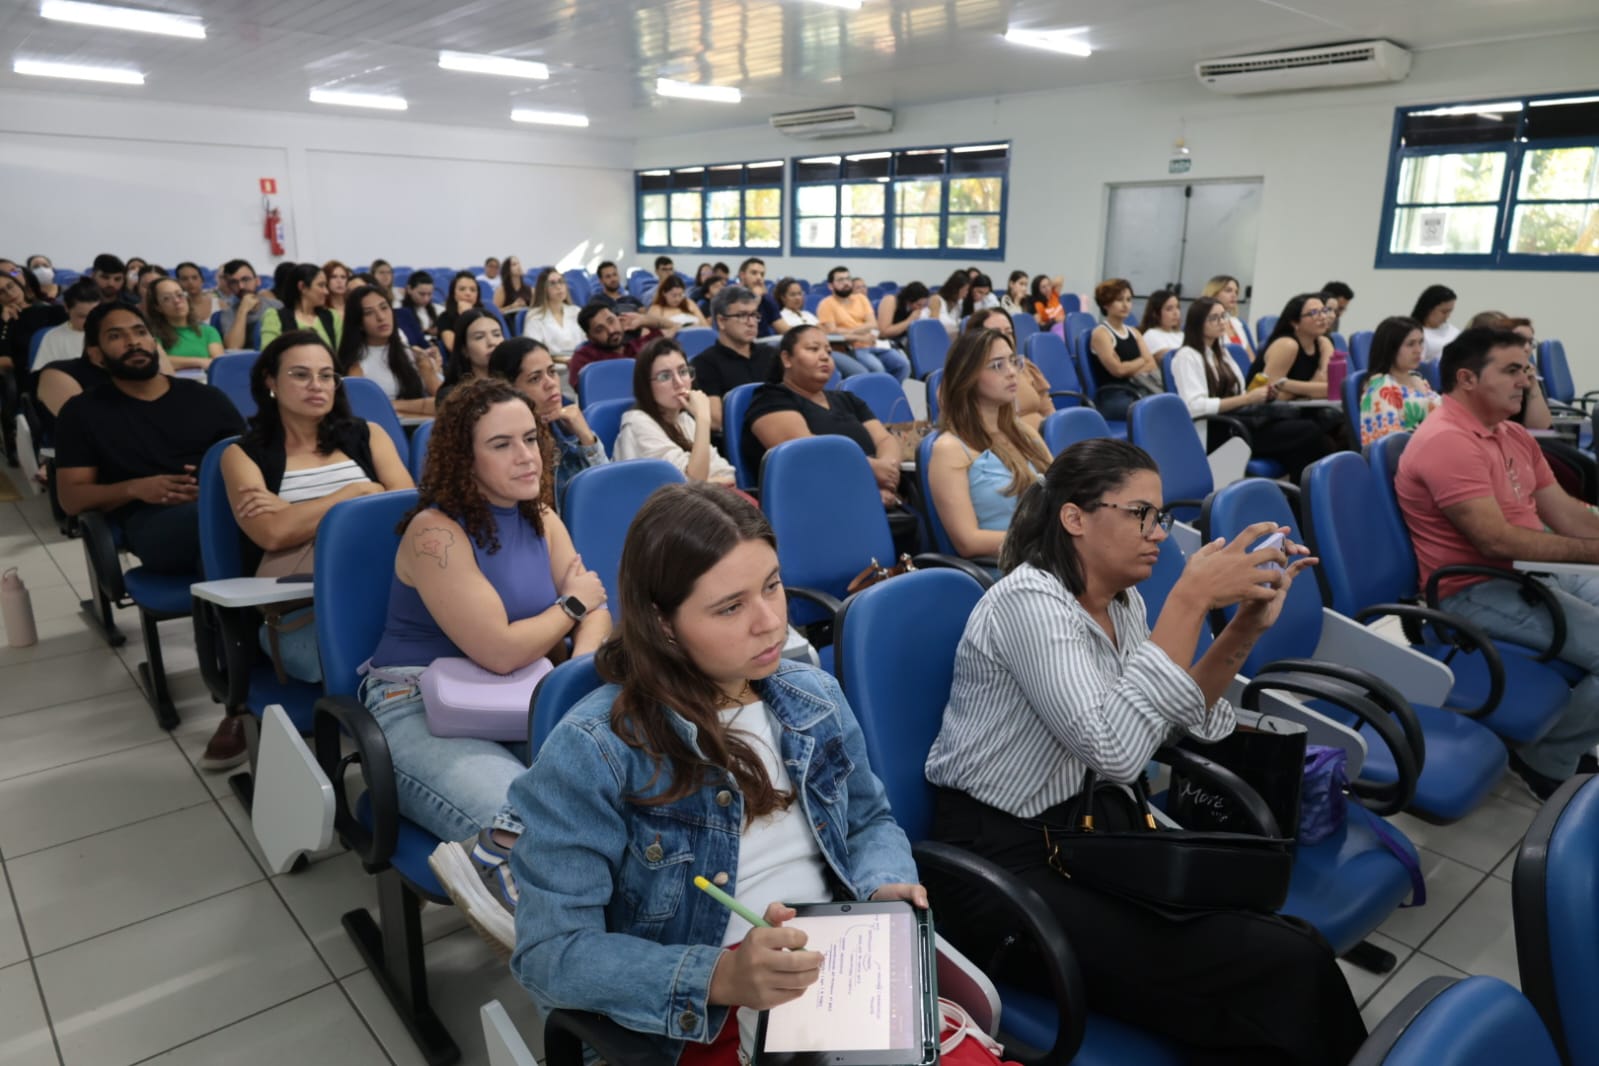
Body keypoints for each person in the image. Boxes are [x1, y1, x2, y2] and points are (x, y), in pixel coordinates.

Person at [924, 437, 1365, 1065]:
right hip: (1001, 869)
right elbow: (1118, 753)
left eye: (1160, 516)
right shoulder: (1030, 604)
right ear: (1075, 518)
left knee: (1282, 941)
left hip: (1085, 832)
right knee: (1281, 966)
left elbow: (1179, 723)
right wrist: (1188, 600)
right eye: (1140, 514)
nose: (1158, 532)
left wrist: (1242, 628)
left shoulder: (1120, 602)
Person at [511, 482, 926, 1062]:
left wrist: (882, 886)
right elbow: (552, 953)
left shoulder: (815, 697)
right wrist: (720, 978)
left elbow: (867, 822)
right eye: (730, 606)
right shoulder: (595, 750)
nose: (769, 622)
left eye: (773, 586)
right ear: (662, 623)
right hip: (699, 1019)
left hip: (837, 978)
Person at [362, 378, 611, 950]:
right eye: (502, 444)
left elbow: (599, 611)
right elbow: (499, 647)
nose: (526, 456)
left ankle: (535, 889)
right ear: (464, 458)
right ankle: (533, 910)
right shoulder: (435, 533)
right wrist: (571, 606)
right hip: (415, 704)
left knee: (620, 793)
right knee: (533, 822)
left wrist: (576, 686)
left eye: (530, 437)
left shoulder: (541, 515)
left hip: (523, 693)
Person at [1396, 327, 1599, 799]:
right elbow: (1494, 541)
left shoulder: (1511, 435)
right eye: (1511, 370)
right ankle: (1544, 760)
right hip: (1469, 592)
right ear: (1467, 378)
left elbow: (1565, 515)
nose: (1525, 381)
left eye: (1526, 370)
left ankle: (1562, 741)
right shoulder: (1447, 441)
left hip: (1525, 573)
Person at [54, 303, 248, 768]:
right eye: (117, 336)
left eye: (140, 332)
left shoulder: (205, 398)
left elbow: (254, 461)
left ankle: (278, 670)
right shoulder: (84, 413)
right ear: (98, 354)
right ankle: (237, 701)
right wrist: (137, 487)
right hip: (152, 525)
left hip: (222, 510)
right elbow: (72, 498)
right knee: (221, 543)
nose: (133, 342)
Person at [221, 331, 412, 683]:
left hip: (384, 591)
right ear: (270, 381)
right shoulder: (242, 455)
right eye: (300, 374)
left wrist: (293, 510)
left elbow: (404, 513)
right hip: (301, 611)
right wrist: (357, 491)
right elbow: (274, 534)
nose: (317, 385)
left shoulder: (368, 435)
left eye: (326, 375)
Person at [745, 325, 907, 523]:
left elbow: (884, 439)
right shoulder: (770, 398)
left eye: (828, 352)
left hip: (875, 496)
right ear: (786, 359)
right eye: (813, 349)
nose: (824, 357)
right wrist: (871, 474)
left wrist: (887, 479)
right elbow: (807, 453)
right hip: (815, 507)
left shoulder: (847, 399)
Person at [1171, 298, 1336, 482]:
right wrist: (1248, 399)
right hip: (1220, 430)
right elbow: (1195, 406)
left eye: (1223, 316)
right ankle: (1316, 496)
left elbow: (1241, 392)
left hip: (1237, 422)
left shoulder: (1222, 353)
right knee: (1308, 430)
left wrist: (1261, 396)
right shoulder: (1187, 356)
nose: (1221, 322)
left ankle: (1301, 503)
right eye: (1214, 318)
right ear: (1198, 323)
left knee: (1303, 447)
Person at [927, 328, 1052, 558]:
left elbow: (1060, 487)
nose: (1012, 372)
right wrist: (1045, 542)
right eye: (997, 365)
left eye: (1013, 362)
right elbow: (968, 542)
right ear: (968, 377)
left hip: (1047, 560)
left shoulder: (1023, 431)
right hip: (1006, 570)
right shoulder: (950, 449)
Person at [488, 338, 608, 504]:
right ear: (509, 389)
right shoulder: (503, 445)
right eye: (535, 379)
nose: (551, 383)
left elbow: (607, 492)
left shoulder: (566, 426)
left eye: (552, 372)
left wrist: (587, 439)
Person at [614, 337, 736, 484]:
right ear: (646, 385)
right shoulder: (638, 424)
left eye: (683, 371)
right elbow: (695, 483)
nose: (679, 383)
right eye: (665, 376)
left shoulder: (684, 419)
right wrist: (703, 418)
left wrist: (707, 481)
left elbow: (729, 475)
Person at [338, 284, 439, 417]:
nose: (381, 317)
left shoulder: (414, 356)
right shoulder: (355, 365)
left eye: (384, 308)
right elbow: (363, 413)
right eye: (369, 313)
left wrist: (392, 405)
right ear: (359, 323)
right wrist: (418, 407)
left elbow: (445, 403)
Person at [692, 286, 775, 431]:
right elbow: (716, 420)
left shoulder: (771, 354)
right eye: (742, 315)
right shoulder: (705, 363)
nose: (751, 322)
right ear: (721, 321)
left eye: (755, 315)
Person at [812, 266, 910, 381]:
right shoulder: (826, 304)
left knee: (903, 365)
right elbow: (834, 332)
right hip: (851, 348)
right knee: (878, 369)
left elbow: (873, 324)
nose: (846, 283)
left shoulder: (861, 299)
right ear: (830, 286)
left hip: (873, 344)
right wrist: (861, 335)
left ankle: (889, 394)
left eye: (848, 279)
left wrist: (851, 331)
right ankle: (876, 396)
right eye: (840, 280)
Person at [964, 308, 1053, 430]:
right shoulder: (969, 376)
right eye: (995, 333)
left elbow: (1049, 412)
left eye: (1008, 332)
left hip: (1044, 439)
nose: (1004, 338)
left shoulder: (1024, 365)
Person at [1360, 316, 1441, 446]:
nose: (1418, 350)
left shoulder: (1418, 378)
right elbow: (1390, 444)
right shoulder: (1381, 387)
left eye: (1420, 342)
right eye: (1410, 344)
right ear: (1390, 349)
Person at [1088, 278, 1162, 419]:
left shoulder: (1134, 332)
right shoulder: (1101, 333)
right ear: (1106, 304)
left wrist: (1128, 366)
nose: (1125, 305)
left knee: (1166, 404)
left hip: (1137, 388)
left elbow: (1151, 363)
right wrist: (1141, 361)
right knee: (1153, 410)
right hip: (1113, 396)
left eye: (1128, 300)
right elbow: (1118, 371)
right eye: (1119, 300)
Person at [1251, 293, 1335, 402]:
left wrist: (1286, 384)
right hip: (1264, 413)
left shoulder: (1324, 342)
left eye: (1324, 311)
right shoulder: (1287, 345)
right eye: (1314, 313)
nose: (1323, 317)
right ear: (1295, 322)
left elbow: (1332, 388)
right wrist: (1311, 390)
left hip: (1299, 409)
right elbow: (1268, 394)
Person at [145, 276, 223, 370]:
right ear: (158, 307)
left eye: (179, 295)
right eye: (166, 298)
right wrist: (199, 362)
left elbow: (218, 364)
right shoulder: (151, 335)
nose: (177, 301)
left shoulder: (208, 331)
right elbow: (159, 361)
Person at [434, 308, 505, 409]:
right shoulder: (452, 395)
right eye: (479, 337)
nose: (492, 342)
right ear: (464, 349)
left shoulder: (517, 382)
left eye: (496, 335)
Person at [30, 278, 101, 376]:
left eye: (94, 315)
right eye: (82, 316)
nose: (89, 321)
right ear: (66, 308)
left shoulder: (109, 334)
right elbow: (42, 375)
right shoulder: (53, 337)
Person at [259, 263, 338, 351]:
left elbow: (343, 356)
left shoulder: (332, 316)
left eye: (325, 286)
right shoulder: (275, 316)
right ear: (302, 287)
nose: (326, 292)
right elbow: (268, 356)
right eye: (321, 285)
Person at [569, 303, 649, 383]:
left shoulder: (638, 345)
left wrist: (645, 320)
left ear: (619, 319)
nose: (611, 331)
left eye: (611, 321)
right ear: (590, 337)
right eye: (600, 329)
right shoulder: (584, 358)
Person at [216, 259, 281, 351]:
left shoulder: (276, 306)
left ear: (257, 281)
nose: (241, 286)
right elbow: (233, 348)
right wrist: (243, 310)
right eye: (234, 282)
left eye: (245, 279)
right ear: (230, 287)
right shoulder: (228, 313)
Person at [522, 268, 586, 354]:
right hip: (553, 365)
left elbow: (587, 343)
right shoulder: (535, 316)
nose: (559, 287)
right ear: (543, 289)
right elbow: (534, 351)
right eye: (552, 283)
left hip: (581, 363)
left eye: (561, 281)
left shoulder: (576, 311)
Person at [1200, 275, 1254, 361]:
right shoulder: (1205, 323)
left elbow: (1251, 357)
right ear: (1213, 294)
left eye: (1236, 292)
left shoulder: (1237, 323)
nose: (1234, 295)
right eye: (1228, 291)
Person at [435, 271, 483, 355]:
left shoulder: (485, 314)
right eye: (462, 289)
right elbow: (453, 347)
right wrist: (466, 317)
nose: (468, 293)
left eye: (473, 290)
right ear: (454, 294)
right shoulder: (445, 318)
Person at [393, 271, 442, 351]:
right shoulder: (399, 310)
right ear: (409, 289)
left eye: (429, 294)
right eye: (422, 294)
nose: (426, 298)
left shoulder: (438, 309)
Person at [875, 281, 930, 349]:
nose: (921, 309)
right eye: (918, 305)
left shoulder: (916, 310)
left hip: (901, 341)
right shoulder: (891, 300)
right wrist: (909, 321)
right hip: (881, 342)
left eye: (924, 305)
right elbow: (883, 333)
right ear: (909, 301)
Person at [736, 257, 781, 337]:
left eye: (762, 274)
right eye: (754, 273)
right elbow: (738, 329)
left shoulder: (767, 299)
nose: (759, 278)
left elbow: (781, 327)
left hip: (764, 344)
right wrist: (756, 299)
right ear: (742, 275)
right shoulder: (730, 297)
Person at [1413, 285, 1459, 363]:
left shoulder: (1452, 330)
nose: (1448, 316)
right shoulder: (1415, 333)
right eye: (1444, 312)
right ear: (1428, 309)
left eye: (1450, 311)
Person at [1138, 289, 1185, 356]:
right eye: (1169, 309)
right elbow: (1168, 360)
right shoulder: (1151, 334)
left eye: (1177, 307)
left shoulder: (1181, 334)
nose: (1176, 313)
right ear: (1155, 314)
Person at [928, 270, 969, 334]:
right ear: (956, 288)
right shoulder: (936, 300)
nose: (966, 293)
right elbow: (933, 327)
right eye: (965, 290)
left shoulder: (959, 303)